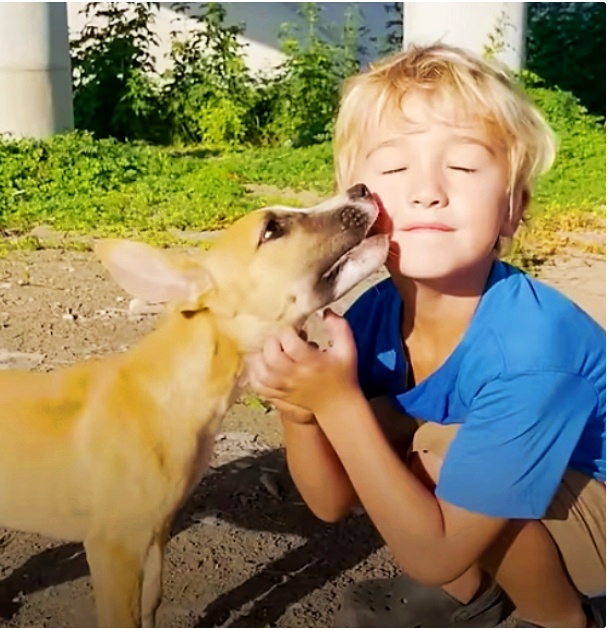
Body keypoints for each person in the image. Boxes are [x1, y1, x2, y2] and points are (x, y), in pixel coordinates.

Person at [247, 44, 606, 628]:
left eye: (463, 167)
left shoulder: (536, 349)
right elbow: (330, 502)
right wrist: (302, 412)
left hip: (600, 509)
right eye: (393, 170)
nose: (427, 191)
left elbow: (428, 552)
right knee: (385, 426)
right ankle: (471, 592)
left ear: (513, 209)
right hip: (526, 491)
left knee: (434, 447)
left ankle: (565, 618)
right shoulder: (372, 318)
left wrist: (337, 402)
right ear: (356, 207)